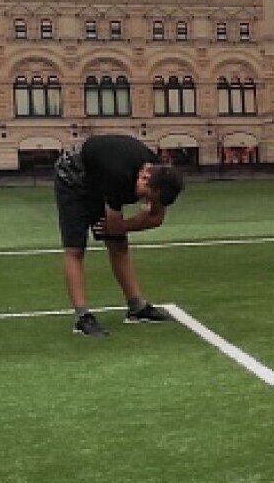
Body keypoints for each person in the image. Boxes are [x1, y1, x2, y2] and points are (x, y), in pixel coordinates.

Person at [53, 133, 184, 337]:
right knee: (75, 249)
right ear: (144, 177)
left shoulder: (162, 177)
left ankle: (137, 307)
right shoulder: (118, 177)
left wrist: (125, 225)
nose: (144, 199)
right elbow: (114, 227)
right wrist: (124, 225)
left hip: (101, 175)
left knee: (119, 245)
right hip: (73, 176)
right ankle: (82, 317)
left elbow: (155, 219)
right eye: (145, 195)